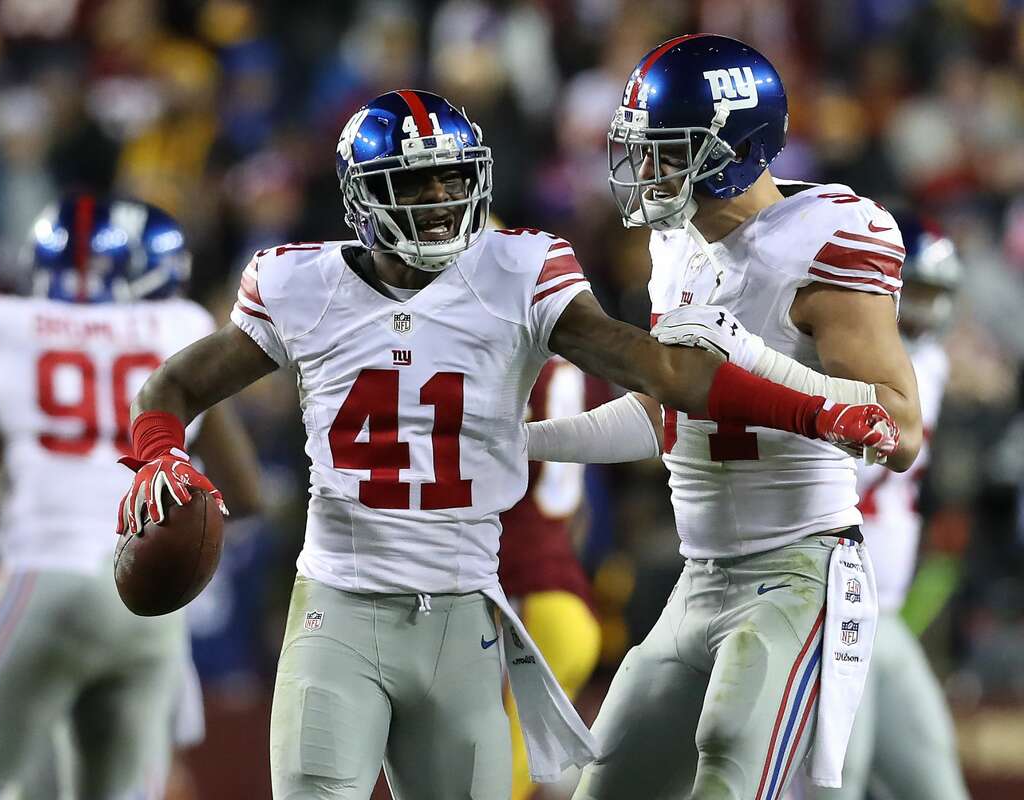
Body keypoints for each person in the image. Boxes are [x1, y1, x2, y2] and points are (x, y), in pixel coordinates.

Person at [117, 89, 898, 800]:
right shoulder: (298, 282)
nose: (438, 200)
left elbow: (663, 373)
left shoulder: (520, 269)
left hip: (465, 618)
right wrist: (160, 452)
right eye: (415, 183)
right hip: (340, 608)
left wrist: (817, 413)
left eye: (454, 179)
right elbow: (171, 388)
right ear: (361, 194)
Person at [520, 34, 923, 800]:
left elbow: (899, 430)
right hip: (699, 578)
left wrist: (754, 358)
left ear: (733, 150)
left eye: (667, 150)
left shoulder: (827, 238)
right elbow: (664, 416)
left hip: (798, 571)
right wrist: (523, 441)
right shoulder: (677, 245)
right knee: (606, 785)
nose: (646, 170)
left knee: (729, 769)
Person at [0, 195, 262, 800]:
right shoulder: (180, 326)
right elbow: (244, 492)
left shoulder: (1, 324)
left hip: (42, 579)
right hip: (146, 609)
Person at [795, 212, 969, 799]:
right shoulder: (850, 354)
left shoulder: (934, 363)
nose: (926, 307)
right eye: (914, 289)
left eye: (935, 293)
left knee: (937, 784)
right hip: (836, 602)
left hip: (884, 615)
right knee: (834, 787)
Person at [498, 357, 607, 800]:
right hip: (568, 601)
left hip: (527, 605)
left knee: (491, 783)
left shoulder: (511, 366)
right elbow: (580, 513)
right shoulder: (577, 367)